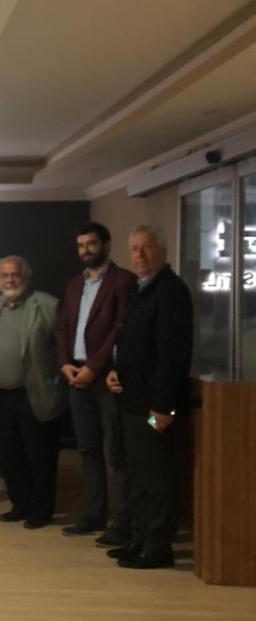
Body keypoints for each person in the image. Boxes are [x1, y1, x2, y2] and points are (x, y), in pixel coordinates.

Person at [106, 226, 193, 569]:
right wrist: (115, 371)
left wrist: (162, 409)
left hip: (155, 409)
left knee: (156, 478)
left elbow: (173, 356)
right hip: (131, 402)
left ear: (162, 250)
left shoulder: (171, 291)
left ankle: (158, 547)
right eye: (135, 248)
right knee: (138, 476)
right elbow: (131, 345)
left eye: (147, 247)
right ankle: (140, 538)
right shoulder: (139, 289)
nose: (140, 254)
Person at [55, 222, 135, 546]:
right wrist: (65, 363)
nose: (85, 250)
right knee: (87, 450)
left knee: (116, 451)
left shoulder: (123, 280)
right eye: (81, 245)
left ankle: (123, 521)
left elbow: (120, 329)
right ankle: (94, 514)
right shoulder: (74, 284)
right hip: (76, 376)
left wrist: (93, 367)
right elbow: (63, 327)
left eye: (91, 244)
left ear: (106, 244)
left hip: (106, 378)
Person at [0, 256, 66, 530]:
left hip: (35, 393)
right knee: (11, 455)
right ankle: (20, 504)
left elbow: (62, 350)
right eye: (4, 275)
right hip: (3, 395)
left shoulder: (47, 305)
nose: (10, 280)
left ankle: (42, 510)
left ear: (26, 276)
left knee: (39, 457)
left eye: (15, 274)